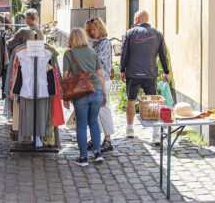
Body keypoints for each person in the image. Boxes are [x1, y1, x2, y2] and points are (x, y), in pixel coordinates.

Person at [120, 10, 170, 145]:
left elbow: (124, 53)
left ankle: (130, 129)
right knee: (153, 102)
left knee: (131, 100)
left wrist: (122, 69)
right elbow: (163, 55)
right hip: (150, 73)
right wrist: (166, 71)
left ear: (137, 19)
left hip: (133, 73)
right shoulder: (158, 34)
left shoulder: (129, 33)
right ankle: (155, 134)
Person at [63, 28, 107, 166]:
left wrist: (65, 97)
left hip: (81, 92)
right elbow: (100, 74)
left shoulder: (69, 54)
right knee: (93, 122)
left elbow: (65, 76)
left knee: (81, 125)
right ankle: (98, 153)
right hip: (97, 91)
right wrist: (104, 93)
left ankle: (83, 158)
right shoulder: (92, 52)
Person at [85, 17, 114, 153]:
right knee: (93, 112)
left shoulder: (105, 43)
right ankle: (95, 138)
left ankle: (108, 140)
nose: (92, 32)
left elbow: (98, 61)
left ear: (100, 28)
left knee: (103, 109)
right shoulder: (94, 43)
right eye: (90, 30)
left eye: (94, 29)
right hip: (93, 80)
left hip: (103, 81)